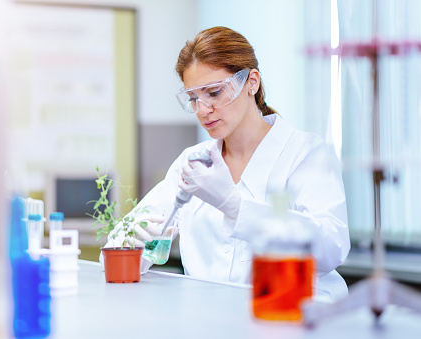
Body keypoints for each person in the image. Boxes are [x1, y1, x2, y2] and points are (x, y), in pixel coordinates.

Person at [101, 26, 350, 301]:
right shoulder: (193, 162)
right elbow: (112, 258)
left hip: (292, 317)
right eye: (193, 98)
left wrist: (236, 207)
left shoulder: (304, 153)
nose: (202, 110)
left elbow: (332, 247)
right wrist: (130, 247)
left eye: (214, 93)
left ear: (251, 82)